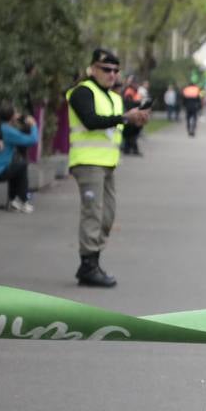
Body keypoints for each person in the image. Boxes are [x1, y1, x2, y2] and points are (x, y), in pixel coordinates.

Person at [66, 48, 150, 287]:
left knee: (107, 215)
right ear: (93, 69)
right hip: (87, 162)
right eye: (106, 69)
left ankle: (94, 260)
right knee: (93, 213)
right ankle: (88, 265)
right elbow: (91, 121)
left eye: (115, 70)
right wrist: (125, 117)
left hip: (107, 164)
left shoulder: (114, 97)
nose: (112, 74)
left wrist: (137, 122)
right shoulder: (81, 92)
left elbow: (118, 130)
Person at [0, 101, 39, 213]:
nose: (17, 114)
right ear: (11, 117)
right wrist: (33, 125)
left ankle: (13, 201)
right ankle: (22, 200)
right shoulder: (8, 131)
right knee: (22, 165)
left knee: (15, 166)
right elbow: (32, 140)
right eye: (15, 113)